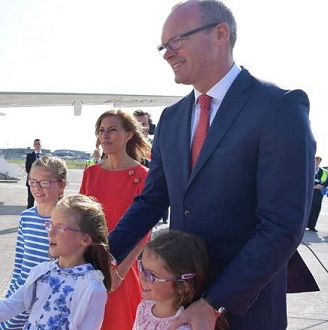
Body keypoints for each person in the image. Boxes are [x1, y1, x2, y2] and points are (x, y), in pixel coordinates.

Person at [108, 1, 316, 329]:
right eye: (164, 45)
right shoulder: (172, 118)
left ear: (220, 34)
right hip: (177, 304)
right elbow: (152, 200)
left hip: (245, 309)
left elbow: (282, 226)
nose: (167, 53)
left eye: (177, 40)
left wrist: (215, 302)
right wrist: (106, 255)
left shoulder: (278, 107)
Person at [0, 194, 110, 329]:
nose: (51, 233)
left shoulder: (92, 287)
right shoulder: (42, 271)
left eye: (61, 228)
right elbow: (12, 305)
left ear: (85, 239)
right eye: (50, 225)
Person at [79, 109, 150, 330]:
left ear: (129, 134)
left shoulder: (143, 175)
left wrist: (120, 271)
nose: (105, 136)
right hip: (90, 264)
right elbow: (79, 219)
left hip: (123, 268)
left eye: (112, 130)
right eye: (101, 131)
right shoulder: (91, 173)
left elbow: (143, 233)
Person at [0, 155, 68, 330]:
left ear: (61, 185)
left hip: (49, 298)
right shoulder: (26, 217)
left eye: (45, 183)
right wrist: (11, 295)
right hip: (21, 293)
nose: (37, 188)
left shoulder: (67, 222)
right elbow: (19, 263)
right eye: (32, 182)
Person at [133, 231, 210, 330]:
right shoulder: (144, 308)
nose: (141, 277)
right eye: (141, 267)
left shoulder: (183, 327)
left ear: (182, 286)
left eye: (151, 275)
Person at [307, 156, 328, 232]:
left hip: (318, 192)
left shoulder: (324, 171)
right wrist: (312, 186)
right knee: (306, 209)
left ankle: (312, 226)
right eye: (315, 160)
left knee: (316, 209)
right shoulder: (307, 168)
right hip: (307, 191)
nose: (316, 162)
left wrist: (322, 186)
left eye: (318, 161)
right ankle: (303, 225)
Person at [25, 138, 43, 208]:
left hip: (42, 182)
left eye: (39, 144)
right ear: (33, 145)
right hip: (32, 181)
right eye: (36, 144)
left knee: (42, 200)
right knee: (30, 200)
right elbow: (27, 168)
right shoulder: (29, 156)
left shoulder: (44, 156)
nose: (37, 145)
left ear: (41, 145)